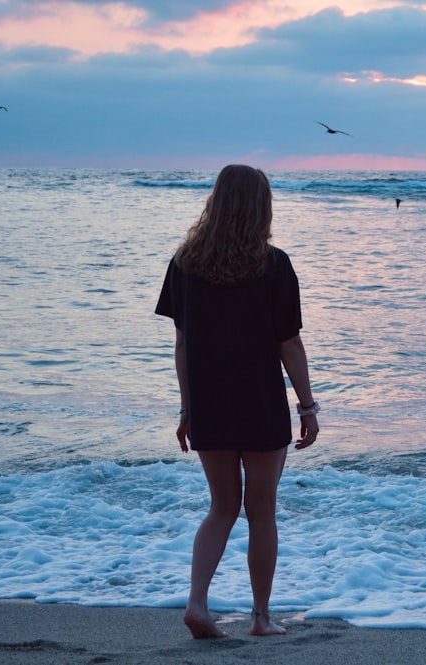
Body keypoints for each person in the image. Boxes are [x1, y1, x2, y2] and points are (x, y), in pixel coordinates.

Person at [155, 164, 320, 639]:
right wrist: (307, 406)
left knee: (221, 507)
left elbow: (182, 345)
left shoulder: (184, 264)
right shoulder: (273, 264)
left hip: (210, 403)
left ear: (216, 202)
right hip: (260, 402)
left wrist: (188, 409)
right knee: (261, 510)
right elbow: (288, 343)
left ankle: (197, 603)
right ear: (260, 207)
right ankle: (261, 618)